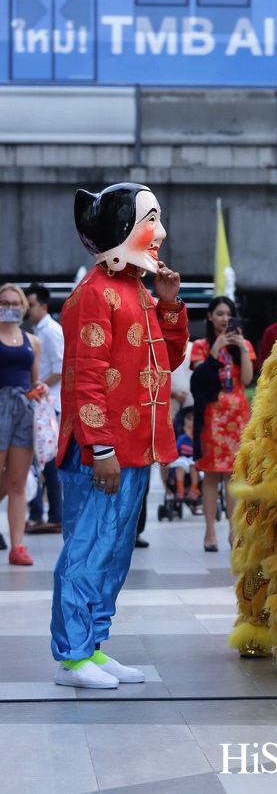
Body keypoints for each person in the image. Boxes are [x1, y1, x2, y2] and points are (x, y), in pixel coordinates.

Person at [51, 182, 188, 688]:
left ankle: (92, 644)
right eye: (151, 221)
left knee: (114, 553)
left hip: (133, 448)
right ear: (123, 229)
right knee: (86, 551)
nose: (161, 232)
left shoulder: (138, 290)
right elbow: (86, 377)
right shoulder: (94, 293)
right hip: (100, 451)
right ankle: (72, 656)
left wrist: (170, 306)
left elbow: (166, 360)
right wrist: (101, 447)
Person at [190, 296, 255, 551]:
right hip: (211, 416)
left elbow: (247, 379)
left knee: (232, 474)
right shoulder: (201, 346)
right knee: (210, 474)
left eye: (229, 314)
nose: (224, 319)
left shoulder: (244, 345)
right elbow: (201, 379)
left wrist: (242, 349)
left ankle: (232, 531)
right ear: (209, 316)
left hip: (237, 416)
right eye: (219, 313)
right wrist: (215, 350)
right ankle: (209, 532)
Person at [0, 283, 48, 564]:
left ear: (23, 307)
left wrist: (41, 386)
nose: (9, 308)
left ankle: (17, 546)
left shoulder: (33, 341)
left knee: (18, 481)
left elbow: (34, 379)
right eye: (4, 303)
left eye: (14, 303)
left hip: (25, 408)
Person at [25, 283, 64, 534]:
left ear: (43, 306)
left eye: (30, 305)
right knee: (36, 460)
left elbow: (60, 369)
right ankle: (38, 514)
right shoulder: (39, 330)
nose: (27, 310)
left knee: (48, 462)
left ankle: (54, 516)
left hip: (50, 405)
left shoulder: (50, 331)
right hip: (41, 404)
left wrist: (37, 388)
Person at [172, 410, 201, 501]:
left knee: (193, 466)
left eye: (194, 428)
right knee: (180, 465)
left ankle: (194, 488)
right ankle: (180, 488)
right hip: (184, 458)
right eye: (189, 427)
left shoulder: (199, 439)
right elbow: (176, 450)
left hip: (195, 459)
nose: (192, 430)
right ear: (184, 428)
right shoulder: (182, 438)